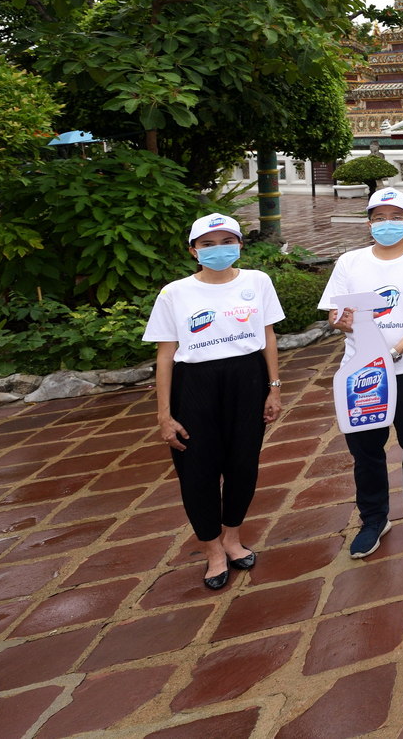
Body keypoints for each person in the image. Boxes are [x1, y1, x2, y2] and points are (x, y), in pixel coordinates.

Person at [147, 213, 284, 590]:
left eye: (227, 241)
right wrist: (164, 414)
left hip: (247, 380)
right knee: (198, 472)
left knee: (243, 465)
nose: (218, 249)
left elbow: (268, 335)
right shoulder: (174, 293)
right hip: (195, 385)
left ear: (240, 245)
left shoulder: (258, 282)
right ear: (193, 251)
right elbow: (164, 354)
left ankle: (232, 538)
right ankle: (212, 550)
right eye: (208, 244)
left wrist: (273, 387)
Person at [320, 188, 403, 558]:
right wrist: (342, 322)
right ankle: (373, 519)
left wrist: (396, 350)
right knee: (366, 451)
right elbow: (335, 313)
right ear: (369, 223)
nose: (388, 224)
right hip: (363, 373)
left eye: (396, 217)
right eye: (379, 218)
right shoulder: (350, 262)